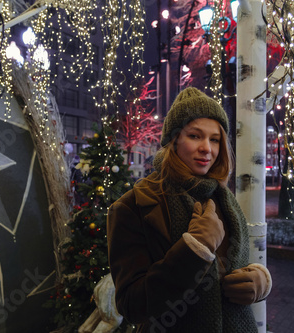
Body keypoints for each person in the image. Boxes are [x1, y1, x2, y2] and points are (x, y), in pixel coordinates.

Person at [107, 87, 272, 332]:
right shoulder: (133, 206)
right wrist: (195, 250)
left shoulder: (224, 199)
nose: (207, 148)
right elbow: (132, 305)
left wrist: (260, 281)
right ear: (173, 141)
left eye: (214, 139)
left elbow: (232, 270)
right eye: (195, 136)